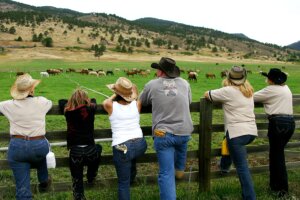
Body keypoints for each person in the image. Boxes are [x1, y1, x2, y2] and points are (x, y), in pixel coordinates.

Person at [139, 57, 193, 200]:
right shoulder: (185, 83)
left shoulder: (152, 84)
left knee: (166, 173)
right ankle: (180, 168)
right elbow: (189, 101)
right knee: (181, 147)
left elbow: (142, 101)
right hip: (184, 131)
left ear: (160, 71)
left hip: (163, 133)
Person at [204, 66, 257, 200]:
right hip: (251, 132)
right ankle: (224, 166)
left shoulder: (227, 91)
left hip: (237, 133)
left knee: (242, 168)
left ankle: (250, 197)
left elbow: (207, 94)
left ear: (229, 78)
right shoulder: (249, 91)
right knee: (228, 139)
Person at [0, 73, 52, 199]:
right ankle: (44, 179)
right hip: (39, 144)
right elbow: (50, 103)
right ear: (32, 89)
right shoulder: (42, 101)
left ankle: (25, 194)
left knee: (22, 188)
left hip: (18, 146)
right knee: (42, 155)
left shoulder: (7, 105)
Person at [102, 77, 147, 200]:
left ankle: (129, 179)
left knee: (123, 183)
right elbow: (136, 97)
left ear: (117, 93)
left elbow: (105, 102)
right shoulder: (137, 104)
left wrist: (114, 94)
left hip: (122, 146)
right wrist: (127, 93)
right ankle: (132, 176)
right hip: (140, 144)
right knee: (130, 156)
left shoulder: (110, 106)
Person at [254, 68, 295, 197]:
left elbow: (252, 97)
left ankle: (282, 190)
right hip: (289, 123)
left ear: (270, 80)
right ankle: (275, 186)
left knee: (277, 156)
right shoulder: (286, 88)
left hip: (277, 123)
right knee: (277, 154)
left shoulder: (270, 90)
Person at [61, 89, 102, 200]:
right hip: (90, 149)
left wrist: (72, 101)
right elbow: (94, 100)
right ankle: (91, 175)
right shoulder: (91, 109)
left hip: (75, 152)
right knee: (99, 148)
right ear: (86, 100)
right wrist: (87, 100)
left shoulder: (68, 111)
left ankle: (79, 196)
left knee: (77, 181)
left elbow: (61, 102)